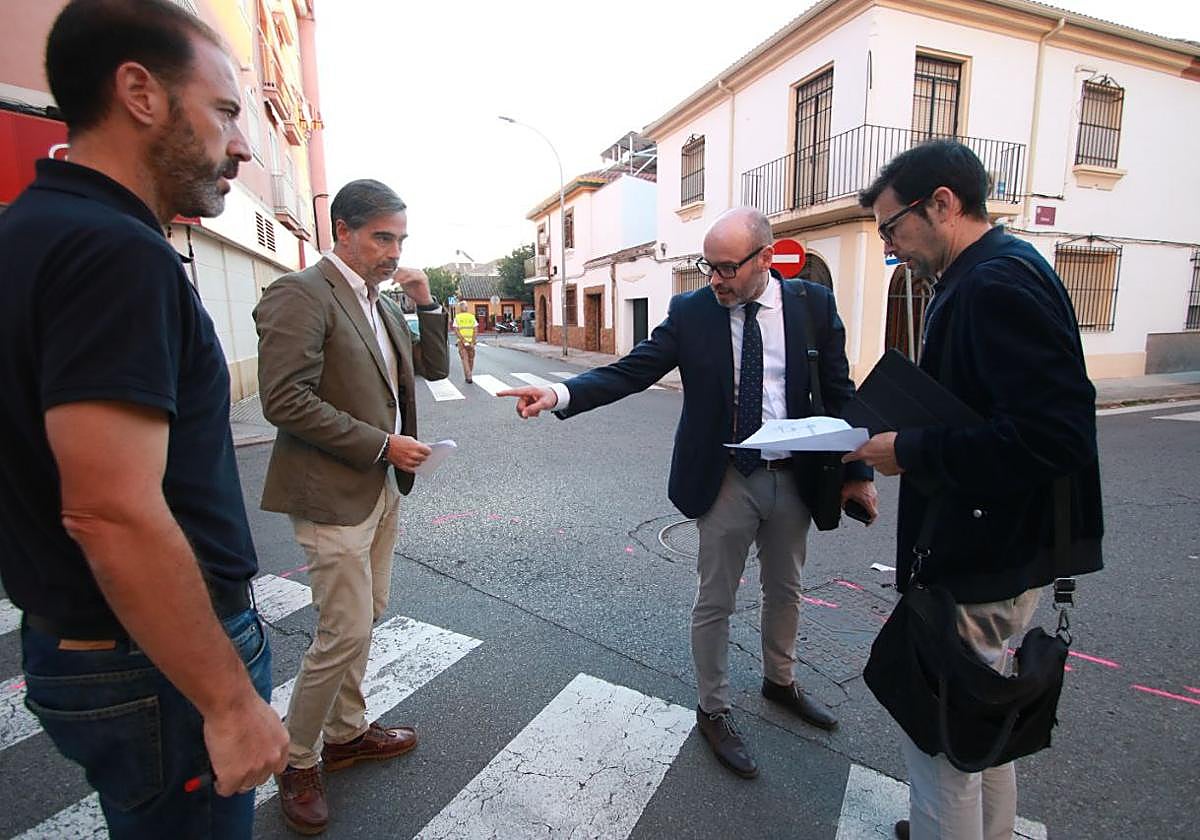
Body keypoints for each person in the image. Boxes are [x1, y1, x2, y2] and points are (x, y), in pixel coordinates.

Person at [0, 1, 290, 836]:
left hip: (96, 649)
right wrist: (230, 702)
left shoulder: (35, 230)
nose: (240, 144)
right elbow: (111, 508)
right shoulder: (112, 251)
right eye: (227, 111)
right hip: (149, 664)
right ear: (140, 93)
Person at [499, 207, 877, 778]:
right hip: (725, 477)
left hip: (796, 474)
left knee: (787, 589)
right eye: (709, 266)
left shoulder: (811, 306)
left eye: (727, 267)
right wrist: (558, 394)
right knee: (716, 598)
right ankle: (714, 708)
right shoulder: (692, 311)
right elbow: (632, 371)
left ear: (765, 259)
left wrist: (859, 474)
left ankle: (781, 681)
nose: (715, 279)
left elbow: (840, 389)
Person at [846, 140, 1103, 840]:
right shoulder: (991, 272)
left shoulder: (996, 284)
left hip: (984, 553)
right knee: (981, 722)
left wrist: (908, 447)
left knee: (943, 743)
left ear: (943, 204)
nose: (892, 248)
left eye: (892, 228)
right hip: (996, 546)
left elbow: (1056, 437)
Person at [253, 179, 449, 835]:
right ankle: (298, 758)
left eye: (400, 239)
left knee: (370, 615)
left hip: (379, 488)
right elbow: (283, 400)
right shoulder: (300, 294)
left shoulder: (382, 302)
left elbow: (434, 366)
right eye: (381, 238)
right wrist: (381, 445)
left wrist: (423, 300)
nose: (394, 252)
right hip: (331, 491)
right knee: (345, 632)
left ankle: (345, 733)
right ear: (342, 230)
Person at [454, 300, 478, 383]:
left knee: (465, 359)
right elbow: (475, 330)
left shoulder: (457, 317)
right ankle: (469, 374)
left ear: (460, 308)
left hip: (461, 342)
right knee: (471, 359)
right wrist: (473, 341)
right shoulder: (472, 317)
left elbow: (456, 330)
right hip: (471, 342)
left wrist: (463, 340)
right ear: (467, 308)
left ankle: (468, 376)